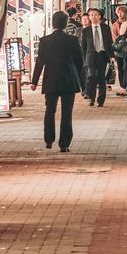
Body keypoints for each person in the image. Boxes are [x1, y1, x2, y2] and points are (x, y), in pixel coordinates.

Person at [31, 11, 85, 153]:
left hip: (51, 80)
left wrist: (34, 81)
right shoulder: (72, 40)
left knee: (50, 110)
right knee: (67, 113)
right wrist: (80, 80)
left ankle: (49, 140)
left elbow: (39, 62)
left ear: (53, 23)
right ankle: (64, 143)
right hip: (69, 80)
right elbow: (80, 62)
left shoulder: (45, 41)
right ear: (66, 23)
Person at [79, 7, 113, 107]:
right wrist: (84, 59)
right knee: (91, 76)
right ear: (89, 17)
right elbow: (83, 46)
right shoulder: (86, 31)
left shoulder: (106, 28)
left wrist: (111, 56)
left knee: (102, 78)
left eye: (95, 14)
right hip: (90, 56)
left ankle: (101, 100)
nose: (93, 16)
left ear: (99, 16)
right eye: (91, 15)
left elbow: (110, 43)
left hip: (102, 55)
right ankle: (91, 97)